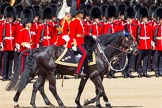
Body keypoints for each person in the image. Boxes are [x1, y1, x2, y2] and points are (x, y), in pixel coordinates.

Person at [68, 9, 87, 77]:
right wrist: (73, 44)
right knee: (84, 53)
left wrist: (90, 35)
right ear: (77, 14)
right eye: (81, 13)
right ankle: (77, 71)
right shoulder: (74, 21)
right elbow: (72, 33)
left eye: (82, 13)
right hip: (77, 42)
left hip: (81, 41)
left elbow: (82, 33)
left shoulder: (80, 21)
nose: (83, 14)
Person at [0, 6, 17, 81]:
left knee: (10, 60)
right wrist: (1, 45)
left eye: (12, 17)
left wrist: (16, 45)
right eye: (10, 17)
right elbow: (0, 36)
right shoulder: (3, 26)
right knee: (5, 60)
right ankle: (4, 75)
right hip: (6, 45)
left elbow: (16, 36)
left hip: (12, 45)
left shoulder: (14, 26)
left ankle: (9, 74)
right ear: (7, 17)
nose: (11, 19)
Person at [136, 7, 152, 78]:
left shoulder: (150, 26)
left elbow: (151, 35)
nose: (145, 19)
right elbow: (137, 35)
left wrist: (151, 43)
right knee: (139, 59)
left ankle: (145, 72)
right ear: (142, 18)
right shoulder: (139, 26)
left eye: (146, 18)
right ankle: (140, 72)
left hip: (147, 45)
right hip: (141, 45)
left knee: (146, 59)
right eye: (144, 18)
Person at [17, 8, 33, 75]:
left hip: (29, 50)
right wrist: (25, 44)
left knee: (28, 64)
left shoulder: (29, 31)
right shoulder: (22, 31)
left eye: (30, 22)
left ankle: (26, 75)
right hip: (24, 50)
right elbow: (19, 41)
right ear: (25, 23)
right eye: (28, 22)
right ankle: (22, 74)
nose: (30, 24)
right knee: (23, 64)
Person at [153, 7, 162, 77]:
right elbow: (154, 36)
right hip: (158, 45)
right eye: (161, 20)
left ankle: (161, 70)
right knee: (156, 59)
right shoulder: (157, 27)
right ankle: (156, 71)